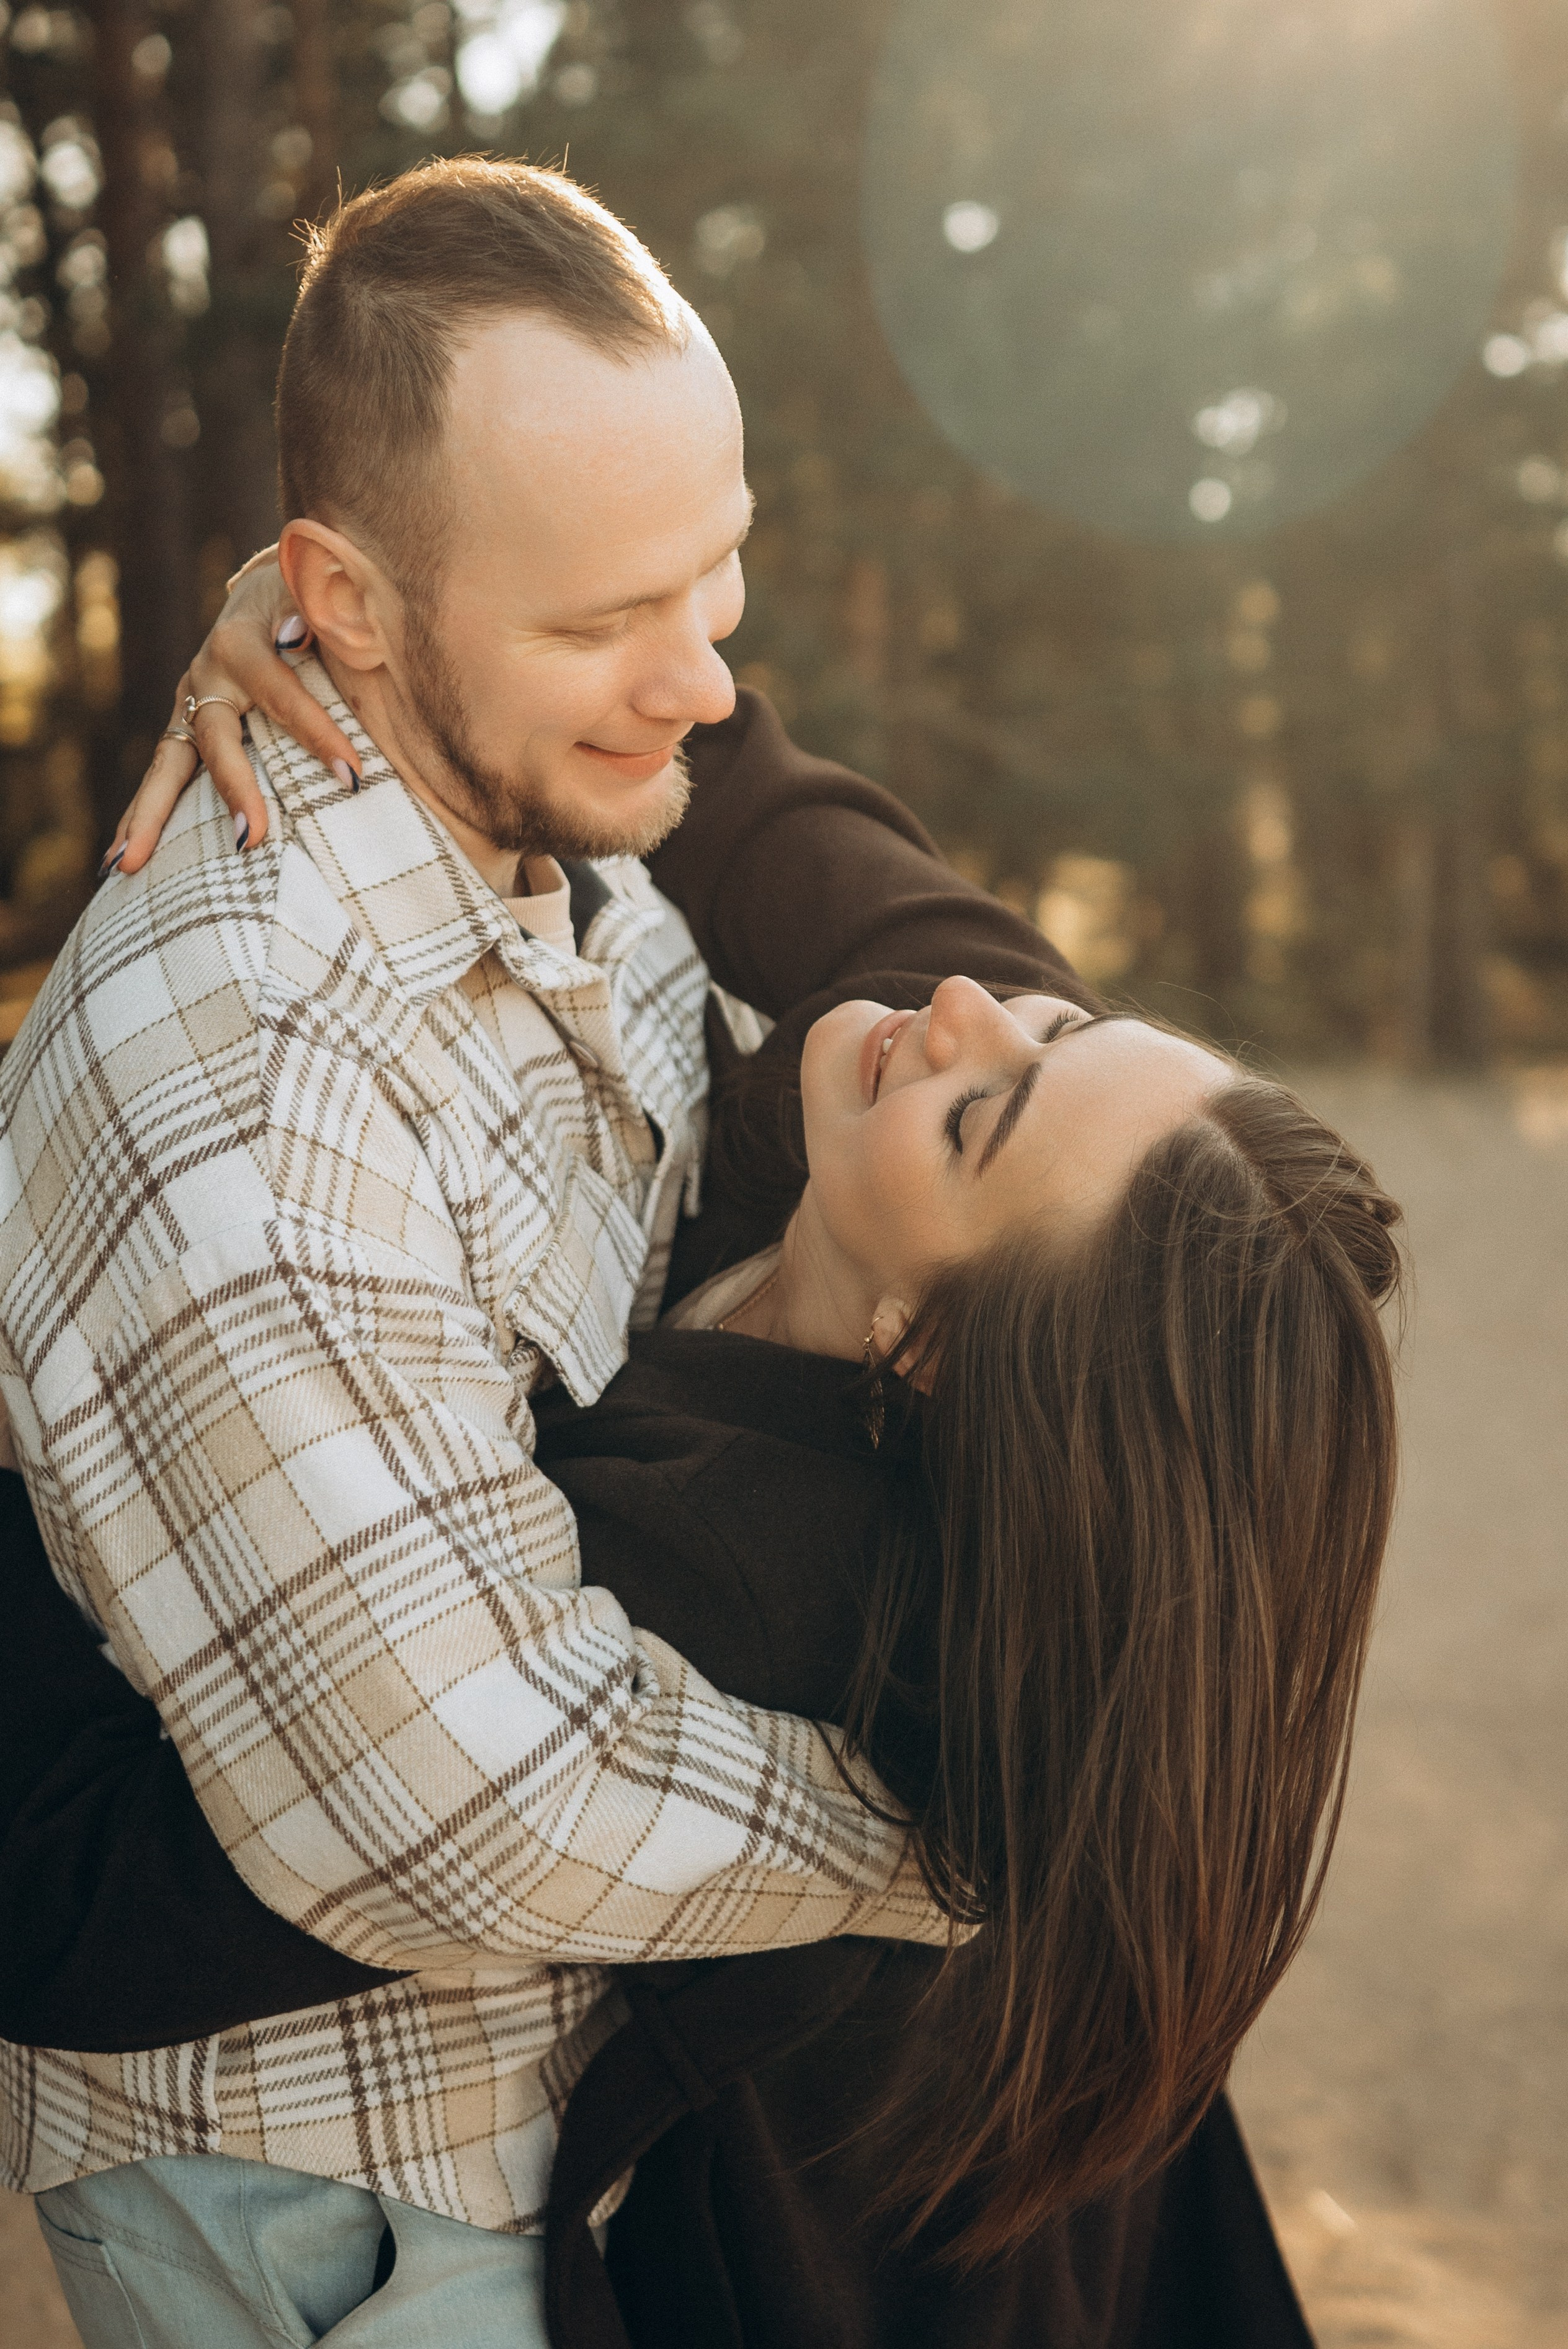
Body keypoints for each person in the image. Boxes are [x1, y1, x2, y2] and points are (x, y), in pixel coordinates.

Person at [0, 685, 1396, 2346]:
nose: (957, 1007)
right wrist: (333, 623)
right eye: (1062, 1028)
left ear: (932, 1354)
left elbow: (79, 1899)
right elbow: (682, 727)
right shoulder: (1059, 1157)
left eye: (984, 1112)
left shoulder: (736, 1584)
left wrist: (46, 1464)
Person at [0, 158, 996, 2348]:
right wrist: (961, 1840)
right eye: (598, 621)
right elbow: (456, 1792)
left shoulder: (550, 822)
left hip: (571, 2119)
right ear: (345, 607)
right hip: (351, 2194)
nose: (706, 686)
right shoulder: (254, 1076)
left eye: (716, 577)